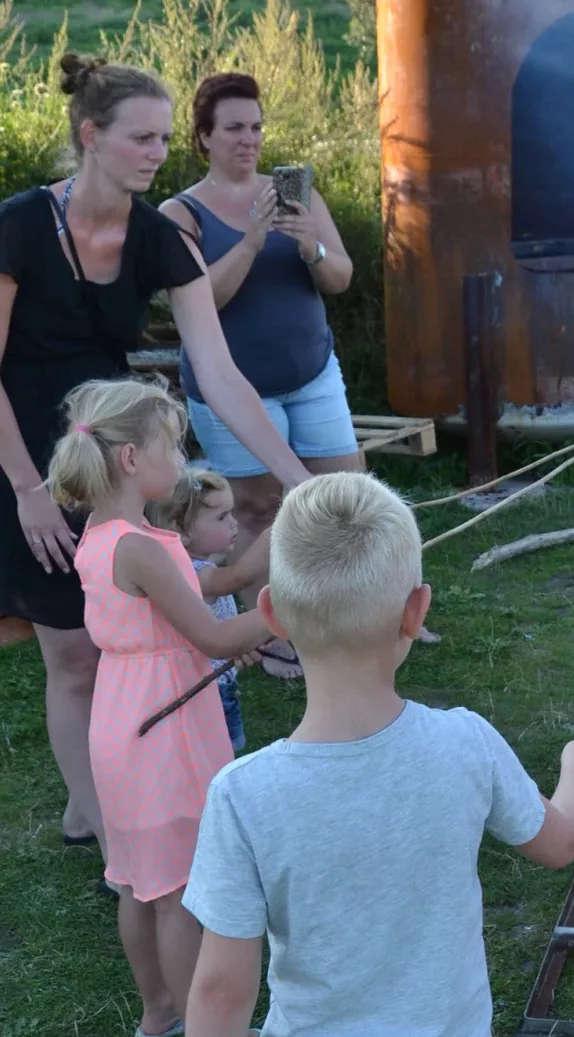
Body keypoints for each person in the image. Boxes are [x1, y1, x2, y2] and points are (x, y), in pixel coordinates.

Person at [0, 54, 309, 873]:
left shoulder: (157, 238)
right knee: (72, 654)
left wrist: (297, 475)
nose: (158, 152)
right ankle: (104, 827)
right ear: (92, 137)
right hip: (23, 456)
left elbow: (217, 371)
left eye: (162, 138)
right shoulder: (14, 228)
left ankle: (115, 805)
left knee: (131, 640)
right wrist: (27, 490)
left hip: (113, 458)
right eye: (141, 137)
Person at [181, 472, 574, 1037]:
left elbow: (222, 992)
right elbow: (560, 841)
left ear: (273, 614)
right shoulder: (465, 743)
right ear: (416, 611)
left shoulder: (243, 794)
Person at [45, 377, 268, 1037]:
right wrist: (284, 612)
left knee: (139, 880)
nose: (181, 458)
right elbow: (214, 638)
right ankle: (211, 1035)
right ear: (131, 461)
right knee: (177, 889)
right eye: (171, 445)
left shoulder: (104, 535)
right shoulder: (141, 547)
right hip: (165, 728)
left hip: (126, 712)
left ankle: (158, 1013)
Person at [160, 72, 369, 677]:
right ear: (204, 137)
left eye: (256, 126)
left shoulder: (299, 195)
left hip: (312, 375)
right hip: (231, 390)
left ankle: (366, 613)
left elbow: (341, 278)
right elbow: (205, 301)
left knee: (350, 496)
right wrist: (251, 241)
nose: (249, 139)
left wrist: (312, 247)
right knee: (255, 510)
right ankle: (272, 633)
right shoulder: (181, 214)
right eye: (233, 129)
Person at [148, 466, 274, 753]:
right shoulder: (191, 573)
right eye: (221, 517)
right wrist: (275, 535)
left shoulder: (193, 568)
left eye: (231, 513)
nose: (234, 524)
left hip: (217, 682)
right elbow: (238, 578)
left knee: (223, 753)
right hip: (206, 690)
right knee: (218, 757)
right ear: (181, 531)